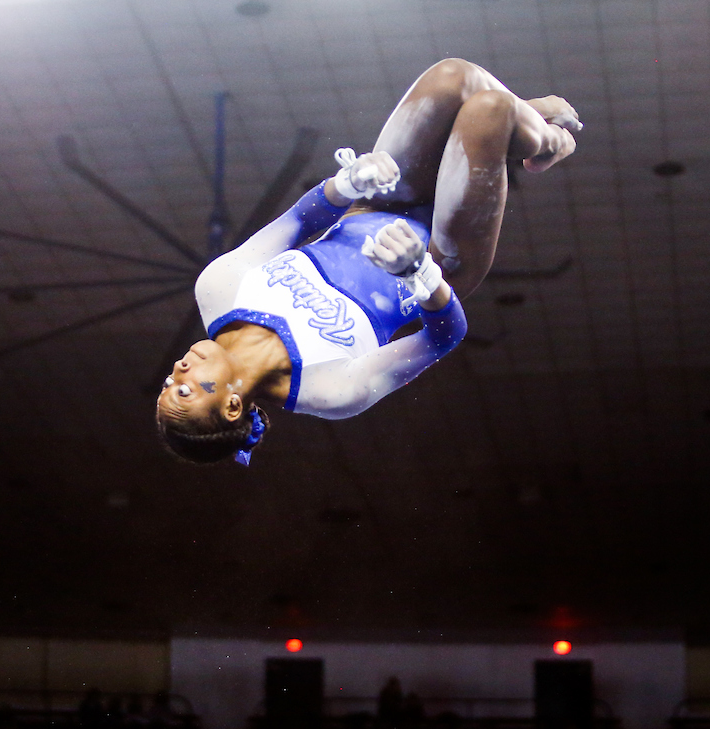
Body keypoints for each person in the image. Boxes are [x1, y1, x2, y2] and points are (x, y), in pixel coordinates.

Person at [156, 58, 579, 465]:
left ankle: (530, 133)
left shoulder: (218, 289)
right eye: (185, 391)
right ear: (231, 405)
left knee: (452, 76)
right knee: (490, 110)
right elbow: (444, 338)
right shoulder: (329, 393)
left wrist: (345, 184)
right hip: (444, 257)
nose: (178, 370)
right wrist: (420, 274)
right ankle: (540, 138)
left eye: (168, 382)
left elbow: (299, 221)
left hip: (378, 201)